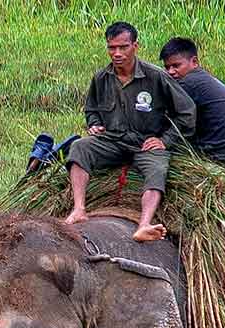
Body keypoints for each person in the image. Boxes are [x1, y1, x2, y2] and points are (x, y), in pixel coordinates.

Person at [63, 21, 197, 242]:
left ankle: (144, 223)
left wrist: (165, 140)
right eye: (112, 48)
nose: (117, 53)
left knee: (157, 169)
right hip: (113, 140)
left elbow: (187, 112)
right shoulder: (101, 78)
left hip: (145, 144)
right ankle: (79, 209)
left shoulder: (156, 77)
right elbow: (91, 108)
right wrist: (94, 123)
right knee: (79, 147)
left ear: (135, 46)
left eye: (123, 47)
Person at [159, 37, 225, 172]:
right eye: (167, 67)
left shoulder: (189, 83)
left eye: (176, 66)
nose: (171, 72)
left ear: (194, 62)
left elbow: (162, 117)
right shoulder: (202, 79)